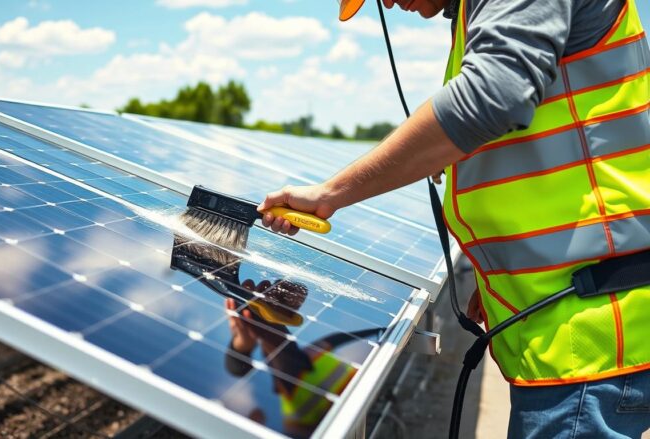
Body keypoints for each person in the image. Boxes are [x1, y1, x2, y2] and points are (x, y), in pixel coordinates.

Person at [258, 0, 650, 437]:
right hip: (583, 312)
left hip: (594, 330)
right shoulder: (476, 16)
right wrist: (497, 275)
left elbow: (493, 95)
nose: (388, 3)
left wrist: (334, 192)